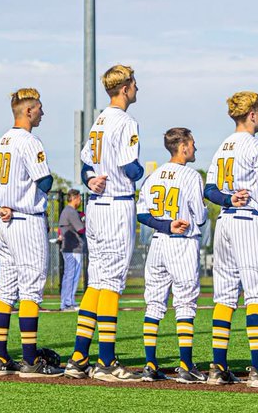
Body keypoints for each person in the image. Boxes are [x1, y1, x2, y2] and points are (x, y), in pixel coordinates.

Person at [67, 64, 143, 382]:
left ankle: (79, 356)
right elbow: (129, 166)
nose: (137, 88)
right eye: (134, 83)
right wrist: (148, 177)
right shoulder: (125, 121)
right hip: (116, 205)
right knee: (110, 283)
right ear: (124, 88)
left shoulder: (99, 121)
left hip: (96, 206)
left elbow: (86, 163)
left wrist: (88, 180)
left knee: (97, 282)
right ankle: (107, 361)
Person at [203, 91, 258, 387]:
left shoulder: (223, 146)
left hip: (225, 221)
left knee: (224, 297)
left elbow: (209, 190)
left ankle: (217, 367)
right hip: (250, 222)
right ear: (252, 114)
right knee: (257, 295)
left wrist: (228, 198)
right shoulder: (255, 145)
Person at [0, 87, 63, 377]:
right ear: (28, 111)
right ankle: (30, 360)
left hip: (4, 221)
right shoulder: (30, 140)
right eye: (39, 108)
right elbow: (44, 181)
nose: (42, 112)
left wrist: (0, 205)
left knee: (5, 289)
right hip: (27, 219)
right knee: (31, 290)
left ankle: (1, 359)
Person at [136, 127, 207, 383]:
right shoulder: (191, 176)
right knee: (185, 303)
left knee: (154, 303)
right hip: (182, 243)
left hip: (158, 243)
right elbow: (199, 216)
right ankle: (186, 365)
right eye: (193, 143)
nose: (195, 148)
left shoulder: (152, 176)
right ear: (184, 146)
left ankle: (150, 364)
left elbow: (142, 214)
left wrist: (165, 225)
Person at [57, 190, 85, 311]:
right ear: (76, 198)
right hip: (72, 248)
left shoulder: (68, 211)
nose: (80, 201)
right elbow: (81, 229)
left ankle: (69, 301)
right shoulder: (70, 211)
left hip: (70, 248)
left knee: (71, 275)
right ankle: (67, 303)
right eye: (79, 198)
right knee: (71, 275)